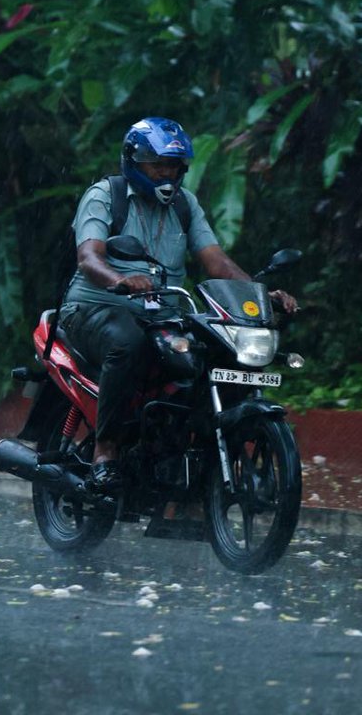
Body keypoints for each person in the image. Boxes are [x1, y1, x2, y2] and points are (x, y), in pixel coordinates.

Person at [60, 116, 297, 493]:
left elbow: (216, 262)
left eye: (173, 166)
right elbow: (89, 257)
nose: (166, 174)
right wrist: (120, 280)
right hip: (94, 308)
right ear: (133, 161)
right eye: (157, 165)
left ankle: (179, 460)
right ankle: (105, 452)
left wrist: (258, 293)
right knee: (128, 342)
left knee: (212, 354)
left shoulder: (185, 206)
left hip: (163, 315)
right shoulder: (106, 195)